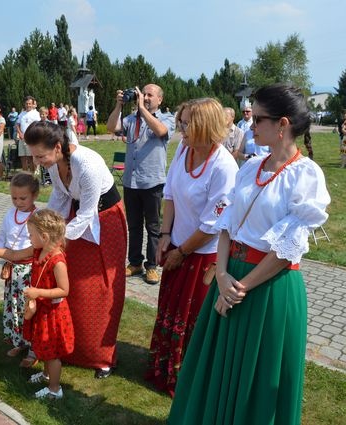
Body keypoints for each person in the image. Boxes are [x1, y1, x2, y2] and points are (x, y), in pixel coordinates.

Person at [168, 84, 331, 424]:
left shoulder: (306, 175)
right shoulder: (250, 166)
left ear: (282, 124)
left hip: (268, 287)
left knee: (258, 373)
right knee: (218, 363)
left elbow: (286, 251)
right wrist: (224, 275)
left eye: (257, 119)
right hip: (229, 277)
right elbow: (226, 224)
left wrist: (240, 287)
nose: (250, 125)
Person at [146, 98, 238, 396]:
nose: (181, 129)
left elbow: (213, 224)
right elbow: (170, 192)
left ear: (206, 126)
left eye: (187, 124)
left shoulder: (224, 166)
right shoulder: (184, 150)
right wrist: (164, 235)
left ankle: (186, 378)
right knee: (169, 310)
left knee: (191, 318)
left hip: (203, 257)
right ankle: (163, 367)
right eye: (181, 122)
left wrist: (181, 251)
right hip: (177, 246)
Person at [24, 121, 126, 379]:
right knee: (75, 285)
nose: (37, 162)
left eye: (40, 156)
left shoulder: (87, 164)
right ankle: (72, 348)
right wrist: (43, 224)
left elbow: (87, 212)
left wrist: (55, 238)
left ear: (58, 147)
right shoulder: (56, 164)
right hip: (78, 220)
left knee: (101, 287)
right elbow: (60, 197)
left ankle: (101, 357)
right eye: (33, 156)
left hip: (105, 221)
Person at [0, 209, 74, 399]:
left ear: (44, 237)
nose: (29, 238)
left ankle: (55, 389)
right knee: (43, 345)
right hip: (41, 310)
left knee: (52, 352)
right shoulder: (38, 250)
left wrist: (38, 293)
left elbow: (64, 290)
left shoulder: (57, 261)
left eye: (31, 234)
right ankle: (46, 375)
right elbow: (13, 255)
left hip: (53, 313)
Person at [107, 84, 175, 285]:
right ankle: (135, 262)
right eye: (142, 94)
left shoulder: (166, 118)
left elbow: (161, 131)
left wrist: (142, 109)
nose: (144, 97)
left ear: (159, 100)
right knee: (134, 225)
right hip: (131, 181)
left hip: (152, 181)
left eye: (149, 95)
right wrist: (119, 106)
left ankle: (152, 266)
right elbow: (112, 127)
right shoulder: (132, 119)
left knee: (153, 226)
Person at [0, 173, 39, 367]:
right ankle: (19, 341)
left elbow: (38, 246)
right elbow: (2, 240)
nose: (18, 202)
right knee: (14, 307)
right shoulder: (10, 215)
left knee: (30, 309)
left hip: (30, 272)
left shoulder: (38, 217)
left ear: (34, 196)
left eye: (23, 198)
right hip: (13, 272)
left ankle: (34, 349)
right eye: (14, 198)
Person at [16, 95, 40, 173]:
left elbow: (38, 126)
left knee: (31, 158)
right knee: (23, 157)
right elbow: (17, 124)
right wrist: (20, 133)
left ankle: (32, 175)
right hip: (22, 138)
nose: (28, 105)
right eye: (27, 103)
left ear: (33, 104)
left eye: (30, 103)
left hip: (31, 138)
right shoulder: (22, 113)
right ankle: (25, 174)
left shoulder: (36, 114)